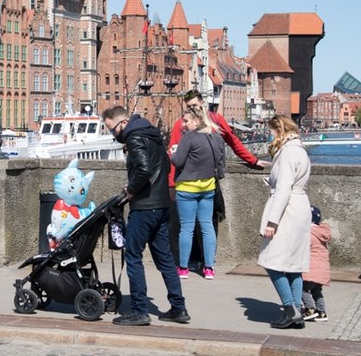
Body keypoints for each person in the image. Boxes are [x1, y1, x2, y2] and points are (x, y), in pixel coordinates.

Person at [100, 105, 190, 326]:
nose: (114, 135)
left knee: (133, 256)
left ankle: (139, 310)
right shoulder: (152, 134)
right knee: (165, 258)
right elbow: (165, 166)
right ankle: (178, 308)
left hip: (145, 207)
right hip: (161, 203)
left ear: (122, 123)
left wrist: (131, 189)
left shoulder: (134, 137)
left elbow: (143, 169)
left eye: (113, 130)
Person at [258, 114, 311, 329]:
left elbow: (283, 190)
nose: (270, 135)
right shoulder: (300, 151)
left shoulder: (288, 153)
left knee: (272, 261)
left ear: (280, 130)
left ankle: (290, 308)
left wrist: (272, 222)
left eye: (272, 131)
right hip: (300, 206)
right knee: (293, 265)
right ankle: (297, 310)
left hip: (287, 211)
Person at [169, 105, 225, 280]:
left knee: (187, 228)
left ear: (197, 120)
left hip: (187, 188)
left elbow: (178, 161)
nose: (183, 125)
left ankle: (183, 268)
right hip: (208, 187)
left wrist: (172, 153)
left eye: (186, 121)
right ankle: (209, 268)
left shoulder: (189, 138)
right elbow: (222, 163)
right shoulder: (216, 137)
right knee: (207, 227)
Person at [168, 90, 269, 187]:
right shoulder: (181, 125)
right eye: (189, 106)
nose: (192, 109)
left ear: (202, 103)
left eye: (194, 105)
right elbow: (173, 153)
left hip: (211, 179)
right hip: (189, 180)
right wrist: (172, 184)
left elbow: (233, 141)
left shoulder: (216, 120)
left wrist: (253, 160)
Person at [301, 205, 331, 322]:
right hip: (321, 270)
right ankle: (322, 312)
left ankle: (310, 309)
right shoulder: (320, 232)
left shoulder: (308, 233)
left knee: (301, 289)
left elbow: (302, 249)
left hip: (311, 269)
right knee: (316, 290)